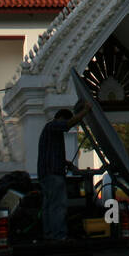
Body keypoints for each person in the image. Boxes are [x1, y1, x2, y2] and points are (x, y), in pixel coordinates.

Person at [38, 103, 90, 241]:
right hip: (53, 175)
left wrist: (67, 164)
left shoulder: (50, 132)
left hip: (46, 175)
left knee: (49, 206)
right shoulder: (53, 125)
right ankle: (59, 236)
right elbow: (67, 124)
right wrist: (85, 111)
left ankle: (49, 234)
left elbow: (52, 154)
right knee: (58, 206)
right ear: (60, 118)